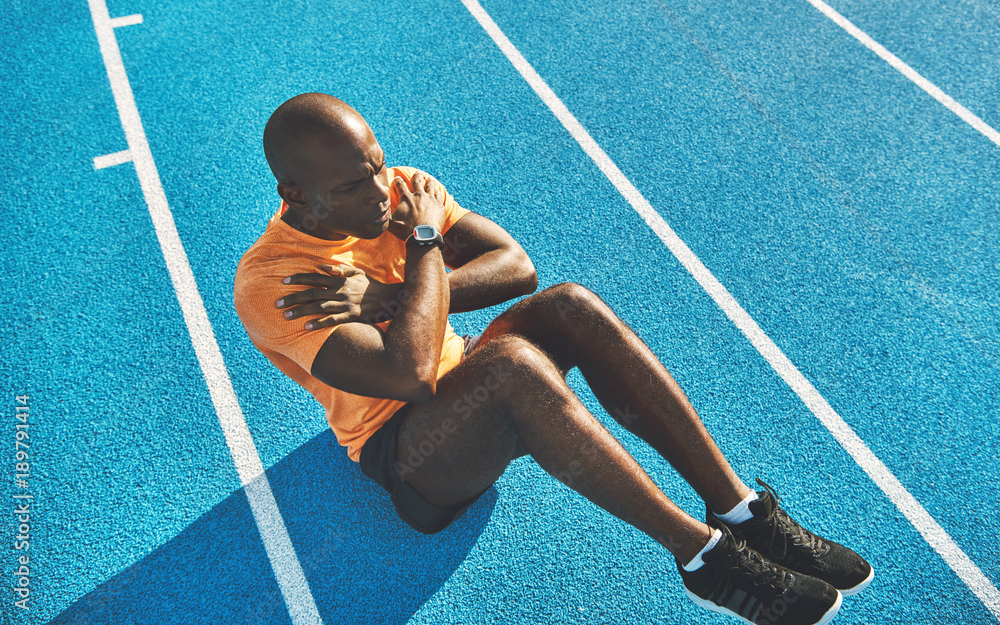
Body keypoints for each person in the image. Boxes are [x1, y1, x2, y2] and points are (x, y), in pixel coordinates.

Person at [233, 93, 873, 625]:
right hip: (409, 453)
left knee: (570, 304)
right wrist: (426, 244)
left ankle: (740, 512)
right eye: (352, 184)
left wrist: (392, 294)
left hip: (477, 387)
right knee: (510, 365)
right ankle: (704, 559)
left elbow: (516, 268)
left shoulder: (398, 190)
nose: (381, 190)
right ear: (295, 195)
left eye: (377, 162)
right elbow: (412, 376)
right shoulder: (278, 282)